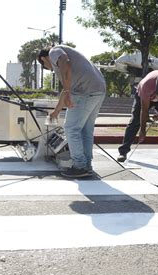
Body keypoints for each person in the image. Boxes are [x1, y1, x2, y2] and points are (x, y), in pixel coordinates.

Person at [38, 45, 106, 178]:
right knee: (86, 130)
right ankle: (87, 165)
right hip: (98, 89)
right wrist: (56, 112)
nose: (48, 68)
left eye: (45, 66)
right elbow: (67, 87)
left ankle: (80, 166)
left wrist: (68, 92)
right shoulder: (68, 59)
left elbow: (65, 62)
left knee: (71, 128)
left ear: (43, 58)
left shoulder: (54, 52)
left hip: (84, 90)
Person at [117, 70, 158, 165]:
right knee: (135, 121)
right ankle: (123, 152)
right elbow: (144, 111)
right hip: (143, 97)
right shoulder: (146, 85)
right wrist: (143, 130)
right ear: (156, 83)